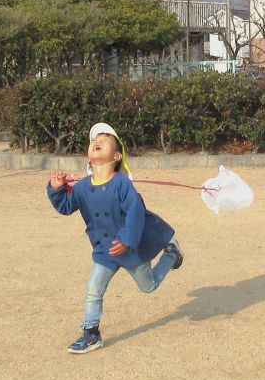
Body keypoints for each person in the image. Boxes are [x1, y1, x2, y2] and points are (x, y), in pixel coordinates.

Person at [47, 122, 183, 354]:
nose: (97, 141)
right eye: (93, 140)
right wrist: (56, 188)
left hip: (130, 248)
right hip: (104, 251)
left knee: (148, 286)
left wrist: (128, 240)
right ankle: (91, 334)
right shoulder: (81, 187)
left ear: (117, 155)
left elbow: (136, 211)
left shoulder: (122, 183)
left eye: (105, 139)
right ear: (89, 154)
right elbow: (66, 206)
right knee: (93, 288)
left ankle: (171, 254)